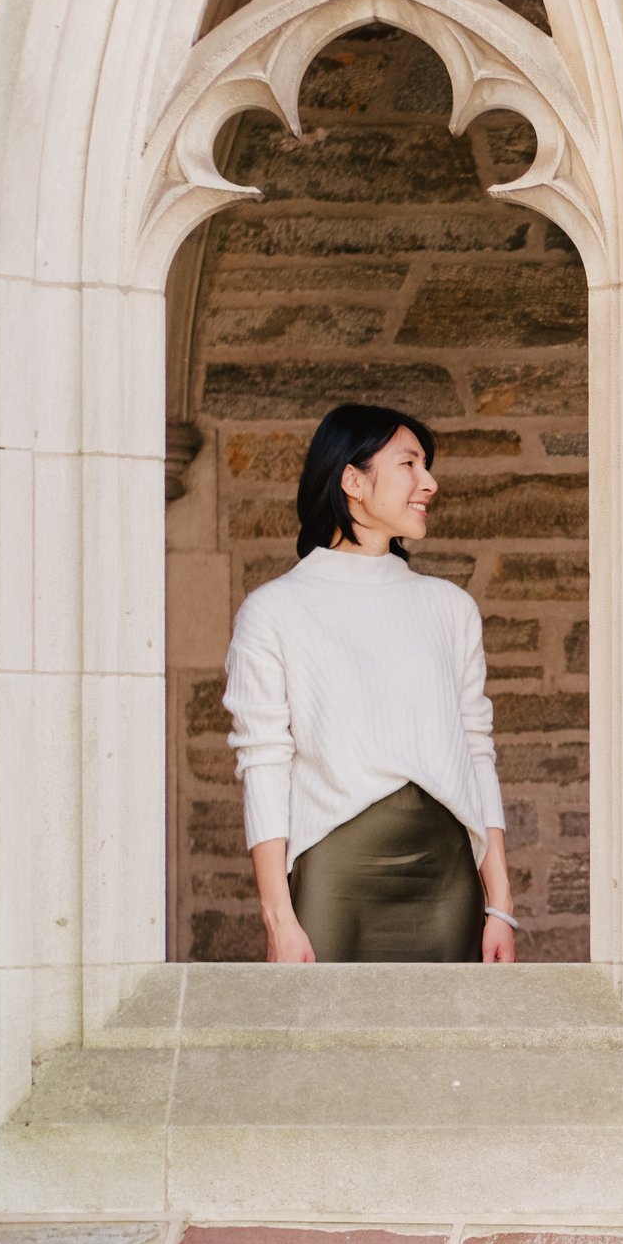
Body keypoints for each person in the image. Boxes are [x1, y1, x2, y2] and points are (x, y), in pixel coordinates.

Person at [223, 403, 518, 964]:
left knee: (445, 1048)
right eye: (410, 463)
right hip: (335, 879)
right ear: (353, 480)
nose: (428, 482)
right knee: (323, 1046)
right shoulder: (274, 611)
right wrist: (279, 918)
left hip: (447, 878)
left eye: (426, 467)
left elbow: (477, 751)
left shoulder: (450, 608)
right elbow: (263, 763)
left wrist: (499, 901)